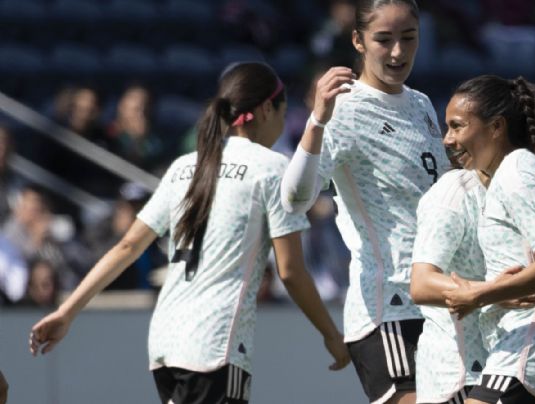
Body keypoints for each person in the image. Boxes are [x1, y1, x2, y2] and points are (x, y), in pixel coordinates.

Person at [29, 62, 349, 404]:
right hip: (214, 344)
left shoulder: (184, 167)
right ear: (267, 109)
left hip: (165, 342)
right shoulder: (271, 168)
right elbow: (290, 270)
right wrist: (331, 334)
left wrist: (67, 312)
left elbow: (127, 246)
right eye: (283, 113)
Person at [280, 1, 451, 402]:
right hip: (387, 305)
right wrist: (317, 121)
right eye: (383, 39)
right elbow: (294, 200)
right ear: (358, 41)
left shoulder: (422, 105)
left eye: (408, 38)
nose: (397, 52)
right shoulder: (345, 108)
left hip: (438, 302)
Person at [411, 84, 535, 404]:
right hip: (458, 369)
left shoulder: (522, 177)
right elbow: (421, 284)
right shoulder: (457, 192)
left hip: (517, 355)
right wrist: (490, 292)